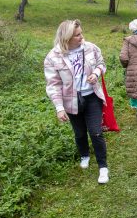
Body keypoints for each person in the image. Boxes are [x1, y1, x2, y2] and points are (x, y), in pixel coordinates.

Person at [44, 19, 109, 184]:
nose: (82, 37)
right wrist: (59, 108)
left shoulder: (90, 48)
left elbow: (102, 63)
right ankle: (85, 155)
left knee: (96, 132)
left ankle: (103, 167)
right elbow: (53, 85)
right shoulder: (53, 57)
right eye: (77, 35)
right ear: (66, 38)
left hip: (92, 97)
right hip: (71, 101)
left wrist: (95, 73)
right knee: (79, 133)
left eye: (81, 33)